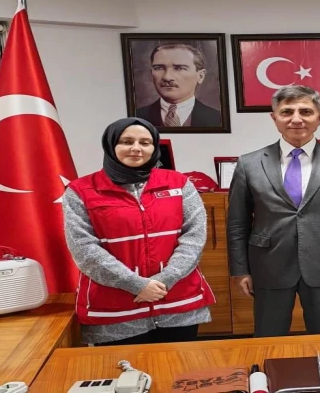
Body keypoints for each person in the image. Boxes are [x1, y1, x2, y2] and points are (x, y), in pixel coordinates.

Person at [227, 85, 320, 337]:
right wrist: (240, 269)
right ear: (274, 117)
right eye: (286, 112)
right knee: (269, 337)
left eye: (305, 111)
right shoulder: (249, 163)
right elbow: (237, 223)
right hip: (268, 265)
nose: (296, 119)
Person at [62, 117, 215, 346]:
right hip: (116, 311)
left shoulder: (179, 183)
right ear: (111, 145)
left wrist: (164, 280)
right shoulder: (80, 191)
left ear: (154, 147)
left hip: (177, 304)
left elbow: (194, 237)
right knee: (124, 369)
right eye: (127, 141)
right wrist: (137, 285)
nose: (136, 148)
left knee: (181, 366)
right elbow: (84, 249)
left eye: (145, 142)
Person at [135, 43, 222, 127]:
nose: (167, 77)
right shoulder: (136, 117)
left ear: (200, 76)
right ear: (151, 74)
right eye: (159, 68)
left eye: (179, 68)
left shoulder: (218, 119)